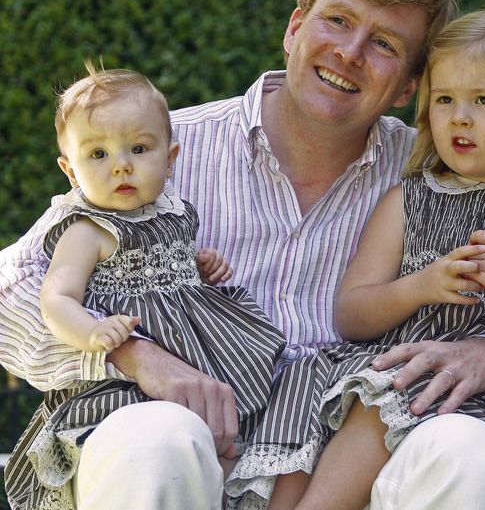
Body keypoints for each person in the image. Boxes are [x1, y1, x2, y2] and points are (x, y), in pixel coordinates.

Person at [0, 0, 485, 510]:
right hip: (184, 435)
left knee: (470, 453)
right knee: (157, 438)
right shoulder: (162, 149)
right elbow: (11, 292)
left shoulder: (440, 179)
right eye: (337, 21)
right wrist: (133, 355)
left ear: (409, 88)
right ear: (295, 27)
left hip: (345, 469)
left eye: (383, 44)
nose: (350, 52)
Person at [226, 7, 485, 510]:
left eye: (484, 100)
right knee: (314, 406)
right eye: (445, 99)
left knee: (386, 396)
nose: (460, 117)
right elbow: (352, 314)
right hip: (375, 379)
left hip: (468, 407)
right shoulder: (410, 199)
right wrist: (419, 287)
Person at [1, 63, 285, 510]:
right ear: (70, 172)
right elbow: (56, 298)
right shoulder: (87, 230)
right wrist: (93, 336)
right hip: (132, 373)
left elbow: (173, 259)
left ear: (169, 159)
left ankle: (224, 467)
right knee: (158, 433)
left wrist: (202, 265)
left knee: (232, 414)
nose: (121, 166)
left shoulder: (172, 210)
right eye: (98, 155)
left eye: (138, 148)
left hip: (200, 344)